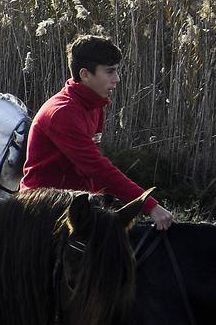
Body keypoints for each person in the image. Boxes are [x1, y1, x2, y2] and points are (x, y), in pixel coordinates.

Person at [21, 34, 173, 230]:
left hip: (76, 203)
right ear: (85, 74)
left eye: (117, 71)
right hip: (43, 208)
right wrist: (148, 204)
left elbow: (93, 172)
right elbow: (96, 168)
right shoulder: (62, 112)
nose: (117, 79)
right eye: (110, 72)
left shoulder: (94, 104)